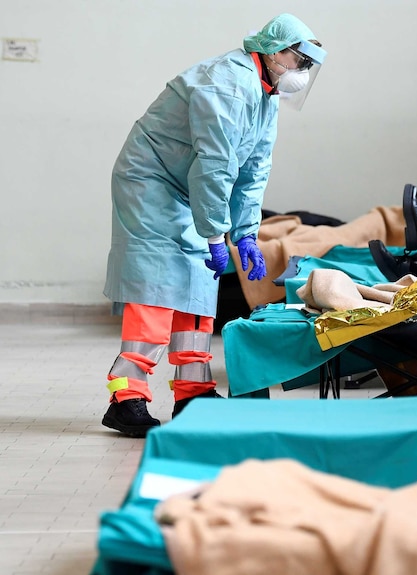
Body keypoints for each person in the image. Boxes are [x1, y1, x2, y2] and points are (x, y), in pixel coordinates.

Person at [101, 13, 327, 437]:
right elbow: (216, 166)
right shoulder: (227, 83)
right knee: (156, 285)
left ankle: (193, 393)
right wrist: (214, 232)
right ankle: (126, 397)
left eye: (307, 67)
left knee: (198, 282)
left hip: (189, 186)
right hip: (151, 182)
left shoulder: (265, 95)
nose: (301, 73)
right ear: (274, 51)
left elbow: (253, 170)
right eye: (299, 61)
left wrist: (245, 233)